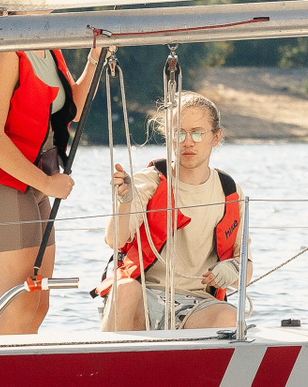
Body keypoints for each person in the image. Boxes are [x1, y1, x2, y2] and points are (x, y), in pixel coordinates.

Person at [0, 40, 103, 334]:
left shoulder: (46, 44)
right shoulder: (4, 52)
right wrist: (47, 183)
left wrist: (96, 56)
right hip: (0, 183)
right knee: (19, 305)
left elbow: (73, 109)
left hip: (34, 184)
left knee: (37, 304)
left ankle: (18, 365)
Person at [100, 93, 246, 331]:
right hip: (143, 296)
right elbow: (114, 240)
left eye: (197, 133)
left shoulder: (230, 191)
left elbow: (246, 268)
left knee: (230, 317)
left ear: (216, 137)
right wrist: (124, 201)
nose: (188, 142)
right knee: (124, 289)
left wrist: (233, 269)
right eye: (179, 134)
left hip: (198, 306)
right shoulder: (149, 180)